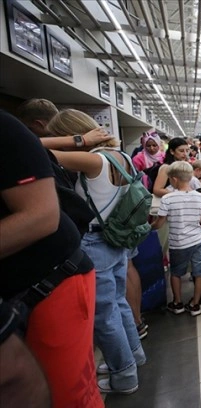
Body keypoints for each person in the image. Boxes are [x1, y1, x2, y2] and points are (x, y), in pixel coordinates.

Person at [1, 110, 104, 406]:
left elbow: (42, 215)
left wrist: (74, 141)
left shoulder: (93, 159)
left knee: (67, 392)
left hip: (50, 277)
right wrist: (77, 139)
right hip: (57, 270)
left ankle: (125, 368)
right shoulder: (113, 158)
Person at [46, 109, 146, 395]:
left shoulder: (92, 159)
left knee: (104, 314)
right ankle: (133, 355)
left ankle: (124, 374)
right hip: (117, 238)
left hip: (95, 240)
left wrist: (75, 141)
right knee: (118, 302)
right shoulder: (122, 156)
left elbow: (33, 149)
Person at [151, 161, 201, 316]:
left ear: (174, 179)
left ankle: (177, 303)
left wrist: (150, 226)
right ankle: (195, 305)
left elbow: (159, 223)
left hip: (178, 243)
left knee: (176, 273)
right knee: (199, 272)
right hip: (198, 241)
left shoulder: (167, 199)